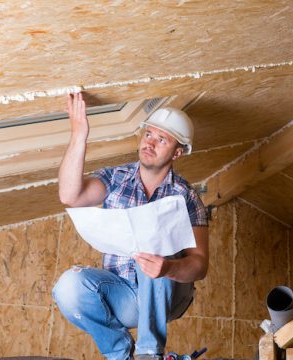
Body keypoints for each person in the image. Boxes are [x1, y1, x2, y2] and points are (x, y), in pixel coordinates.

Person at [52, 92, 209, 360]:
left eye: (162, 139)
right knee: (68, 286)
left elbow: (200, 264)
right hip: (124, 294)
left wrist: (169, 267)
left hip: (168, 294)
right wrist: (79, 134)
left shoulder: (185, 197)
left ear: (177, 152)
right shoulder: (116, 178)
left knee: (153, 238)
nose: (150, 143)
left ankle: (150, 353)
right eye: (149, 134)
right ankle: (120, 353)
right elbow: (69, 196)